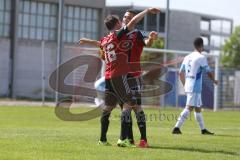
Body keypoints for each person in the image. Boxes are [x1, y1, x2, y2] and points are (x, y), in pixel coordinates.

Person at [79, 9, 158, 148]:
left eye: (129, 17)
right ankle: (125, 139)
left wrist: (151, 38)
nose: (126, 19)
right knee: (128, 106)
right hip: (119, 75)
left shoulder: (132, 34)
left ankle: (139, 139)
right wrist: (147, 11)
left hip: (130, 75)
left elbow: (146, 43)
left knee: (131, 106)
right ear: (118, 22)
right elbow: (103, 51)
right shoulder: (117, 35)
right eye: (124, 17)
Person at [172, 37, 218, 135]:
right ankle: (176, 127)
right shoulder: (201, 57)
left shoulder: (187, 57)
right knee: (189, 107)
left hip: (189, 85)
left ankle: (203, 129)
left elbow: (180, 73)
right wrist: (214, 80)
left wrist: (184, 85)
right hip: (195, 86)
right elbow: (208, 71)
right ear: (201, 46)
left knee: (198, 108)